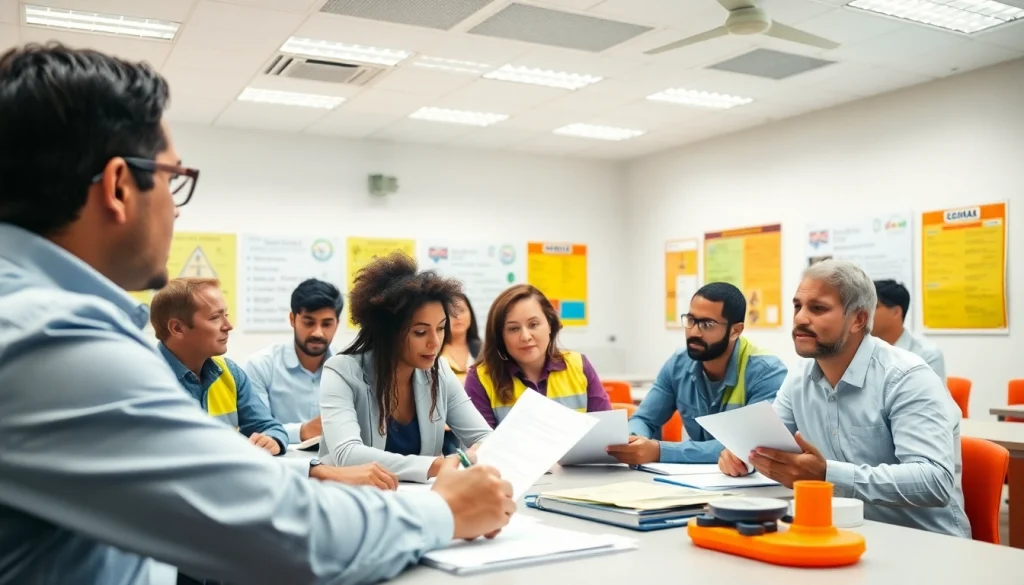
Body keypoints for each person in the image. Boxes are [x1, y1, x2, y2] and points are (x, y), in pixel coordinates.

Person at [0, 43, 514, 585]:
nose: (175, 209)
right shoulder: (46, 335)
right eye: (173, 181)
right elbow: (281, 532)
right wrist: (444, 511)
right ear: (119, 187)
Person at [719, 260, 970, 538]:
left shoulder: (906, 377)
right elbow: (767, 444)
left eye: (818, 308)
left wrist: (827, 475)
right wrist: (744, 456)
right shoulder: (799, 378)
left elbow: (934, 481)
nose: (801, 318)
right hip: (842, 534)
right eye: (797, 306)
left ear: (858, 320)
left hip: (924, 543)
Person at [318, 252, 495, 482]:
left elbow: (485, 438)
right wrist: (438, 465)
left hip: (419, 504)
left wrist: (480, 452)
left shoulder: (439, 371)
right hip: (355, 504)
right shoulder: (341, 372)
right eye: (420, 332)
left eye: (441, 328)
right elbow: (347, 454)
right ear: (388, 332)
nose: (435, 342)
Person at [608, 282, 787, 465]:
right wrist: (634, 440)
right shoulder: (678, 364)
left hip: (749, 485)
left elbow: (749, 447)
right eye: (691, 320)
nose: (694, 332)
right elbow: (644, 419)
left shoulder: (766, 373)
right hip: (696, 481)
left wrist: (660, 451)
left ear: (735, 331)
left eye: (707, 324)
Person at [153, 277, 290, 455]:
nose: (228, 326)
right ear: (177, 328)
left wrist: (272, 440)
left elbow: (269, 426)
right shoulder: (148, 378)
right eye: (215, 317)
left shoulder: (229, 372)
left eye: (226, 315)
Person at [464, 284, 611, 427]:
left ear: (550, 325)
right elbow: (481, 448)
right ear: (500, 336)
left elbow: (605, 434)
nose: (525, 336)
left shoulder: (578, 365)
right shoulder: (480, 379)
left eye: (533, 324)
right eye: (513, 328)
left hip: (583, 453)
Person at [245, 278, 342, 445]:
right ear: (292, 319)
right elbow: (256, 430)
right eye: (309, 322)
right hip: (278, 465)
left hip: (339, 466)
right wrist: (303, 431)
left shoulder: (349, 369)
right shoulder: (261, 366)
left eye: (327, 324)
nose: (318, 332)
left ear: (337, 324)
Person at [872, 279, 947, 384]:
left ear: (896, 312)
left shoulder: (927, 355)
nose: (864, 313)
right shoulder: (861, 350)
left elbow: (926, 399)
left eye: (874, 307)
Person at [440, 292, 482, 382]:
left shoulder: (483, 349)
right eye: (451, 312)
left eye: (461, 310)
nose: (457, 317)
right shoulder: (435, 351)